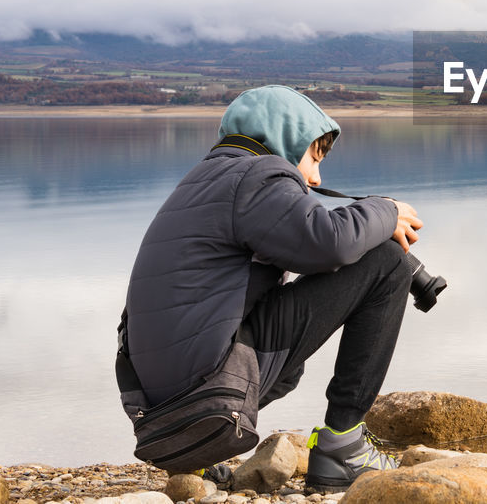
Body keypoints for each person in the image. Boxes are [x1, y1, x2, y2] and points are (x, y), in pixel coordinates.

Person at [119, 85, 423, 491]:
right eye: (314, 157)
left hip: (159, 415)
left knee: (279, 356)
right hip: (204, 396)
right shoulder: (256, 173)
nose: (315, 178)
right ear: (285, 137)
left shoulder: (205, 180)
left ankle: (195, 464)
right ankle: (343, 448)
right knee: (387, 262)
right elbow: (329, 243)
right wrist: (386, 210)